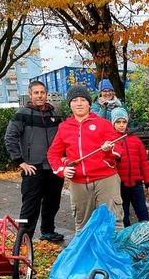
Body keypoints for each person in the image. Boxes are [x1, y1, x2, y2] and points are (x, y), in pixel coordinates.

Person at [47, 85, 123, 232]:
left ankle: (114, 254)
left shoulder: (103, 124)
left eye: (83, 100)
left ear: (89, 103)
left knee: (113, 222)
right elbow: (53, 154)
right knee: (83, 225)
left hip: (106, 179)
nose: (79, 103)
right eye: (75, 100)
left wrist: (110, 148)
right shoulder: (64, 127)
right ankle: (85, 254)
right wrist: (62, 170)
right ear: (70, 104)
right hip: (78, 182)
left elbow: (118, 149)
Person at [4, 81, 65, 242]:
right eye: (36, 92)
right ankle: (24, 239)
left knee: (52, 203)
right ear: (30, 95)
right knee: (30, 205)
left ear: (46, 94)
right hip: (33, 167)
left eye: (42, 92)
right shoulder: (22, 114)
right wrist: (20, 161)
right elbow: (10, 138)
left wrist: (64, 157)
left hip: (53, 167)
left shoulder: (56, 114)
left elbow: (65, 138)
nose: (40, 95)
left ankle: (48, 231)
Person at [111, 107, 149, 227]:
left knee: (142, 210)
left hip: (136, 183)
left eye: (124, 122)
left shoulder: (135, 141)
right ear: (113, 123)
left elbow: (144, 162)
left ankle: (146, 230)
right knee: (123, 212)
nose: (121, 125)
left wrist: (148, 181)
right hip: (120, 184)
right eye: (118, 122)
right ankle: (126, 233)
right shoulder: (111, 141)